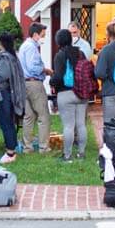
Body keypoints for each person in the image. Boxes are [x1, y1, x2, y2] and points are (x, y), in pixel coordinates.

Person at [50, 29, 89, 162]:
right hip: (81, 93)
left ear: (59, 41)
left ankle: (67, 156)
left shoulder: (60, 55)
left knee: (68, 126)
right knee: (81, 125)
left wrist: (51, 81)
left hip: (66, 93)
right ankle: (82, 154)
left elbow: (59, 76)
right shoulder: (81, 53)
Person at [0, 32, 26, 163]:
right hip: (7, 93)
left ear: (2, 43)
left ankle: (10, 153)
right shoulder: (12, 56)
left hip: (4, 94)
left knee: (6, 123)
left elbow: (3, 75)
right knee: (8, 122)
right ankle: (11, 150)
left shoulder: (5, 58)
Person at [18, 22, 53, 153]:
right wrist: (45, 70)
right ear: (35, 34)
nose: (43, 38)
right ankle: (44, 147)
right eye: (42, 35)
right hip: (34, 83)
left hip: (24, 83)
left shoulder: (23, 46)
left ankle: (28, 147)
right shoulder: (32, 47)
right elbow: (33, 67)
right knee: (43, 116)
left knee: (28, 116)